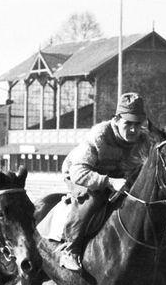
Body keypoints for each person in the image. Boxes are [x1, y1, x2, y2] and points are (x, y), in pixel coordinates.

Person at [59, 92, 151, 271]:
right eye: (128, 124)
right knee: (94, 198)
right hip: (79, 174)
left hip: (117, 176)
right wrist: (108, 181)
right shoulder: (99, 135)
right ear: (116, 120)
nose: (133, 130)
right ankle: (70, 249)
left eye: (137, 124)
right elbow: (78, 172)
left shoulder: (144, 139)